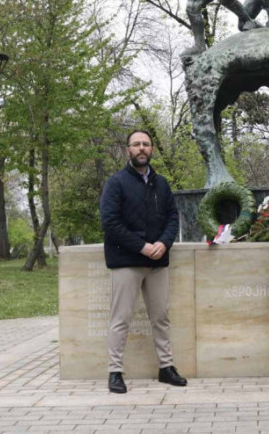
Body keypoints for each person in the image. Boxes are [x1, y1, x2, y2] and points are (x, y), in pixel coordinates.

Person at [100, 129, 187, 393]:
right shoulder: (116, 183)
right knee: (121, 319)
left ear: (151, 149)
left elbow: (173, 217)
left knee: (161, 317)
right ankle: (115, 372)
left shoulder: (162, 184)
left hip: (157, 263)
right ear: (128, 150)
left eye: (146, 144)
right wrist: (142, 246)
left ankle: (166, 368)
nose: (141, 148)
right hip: (126, 262)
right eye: (136, 144)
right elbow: (110, 222)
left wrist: (163, 243)